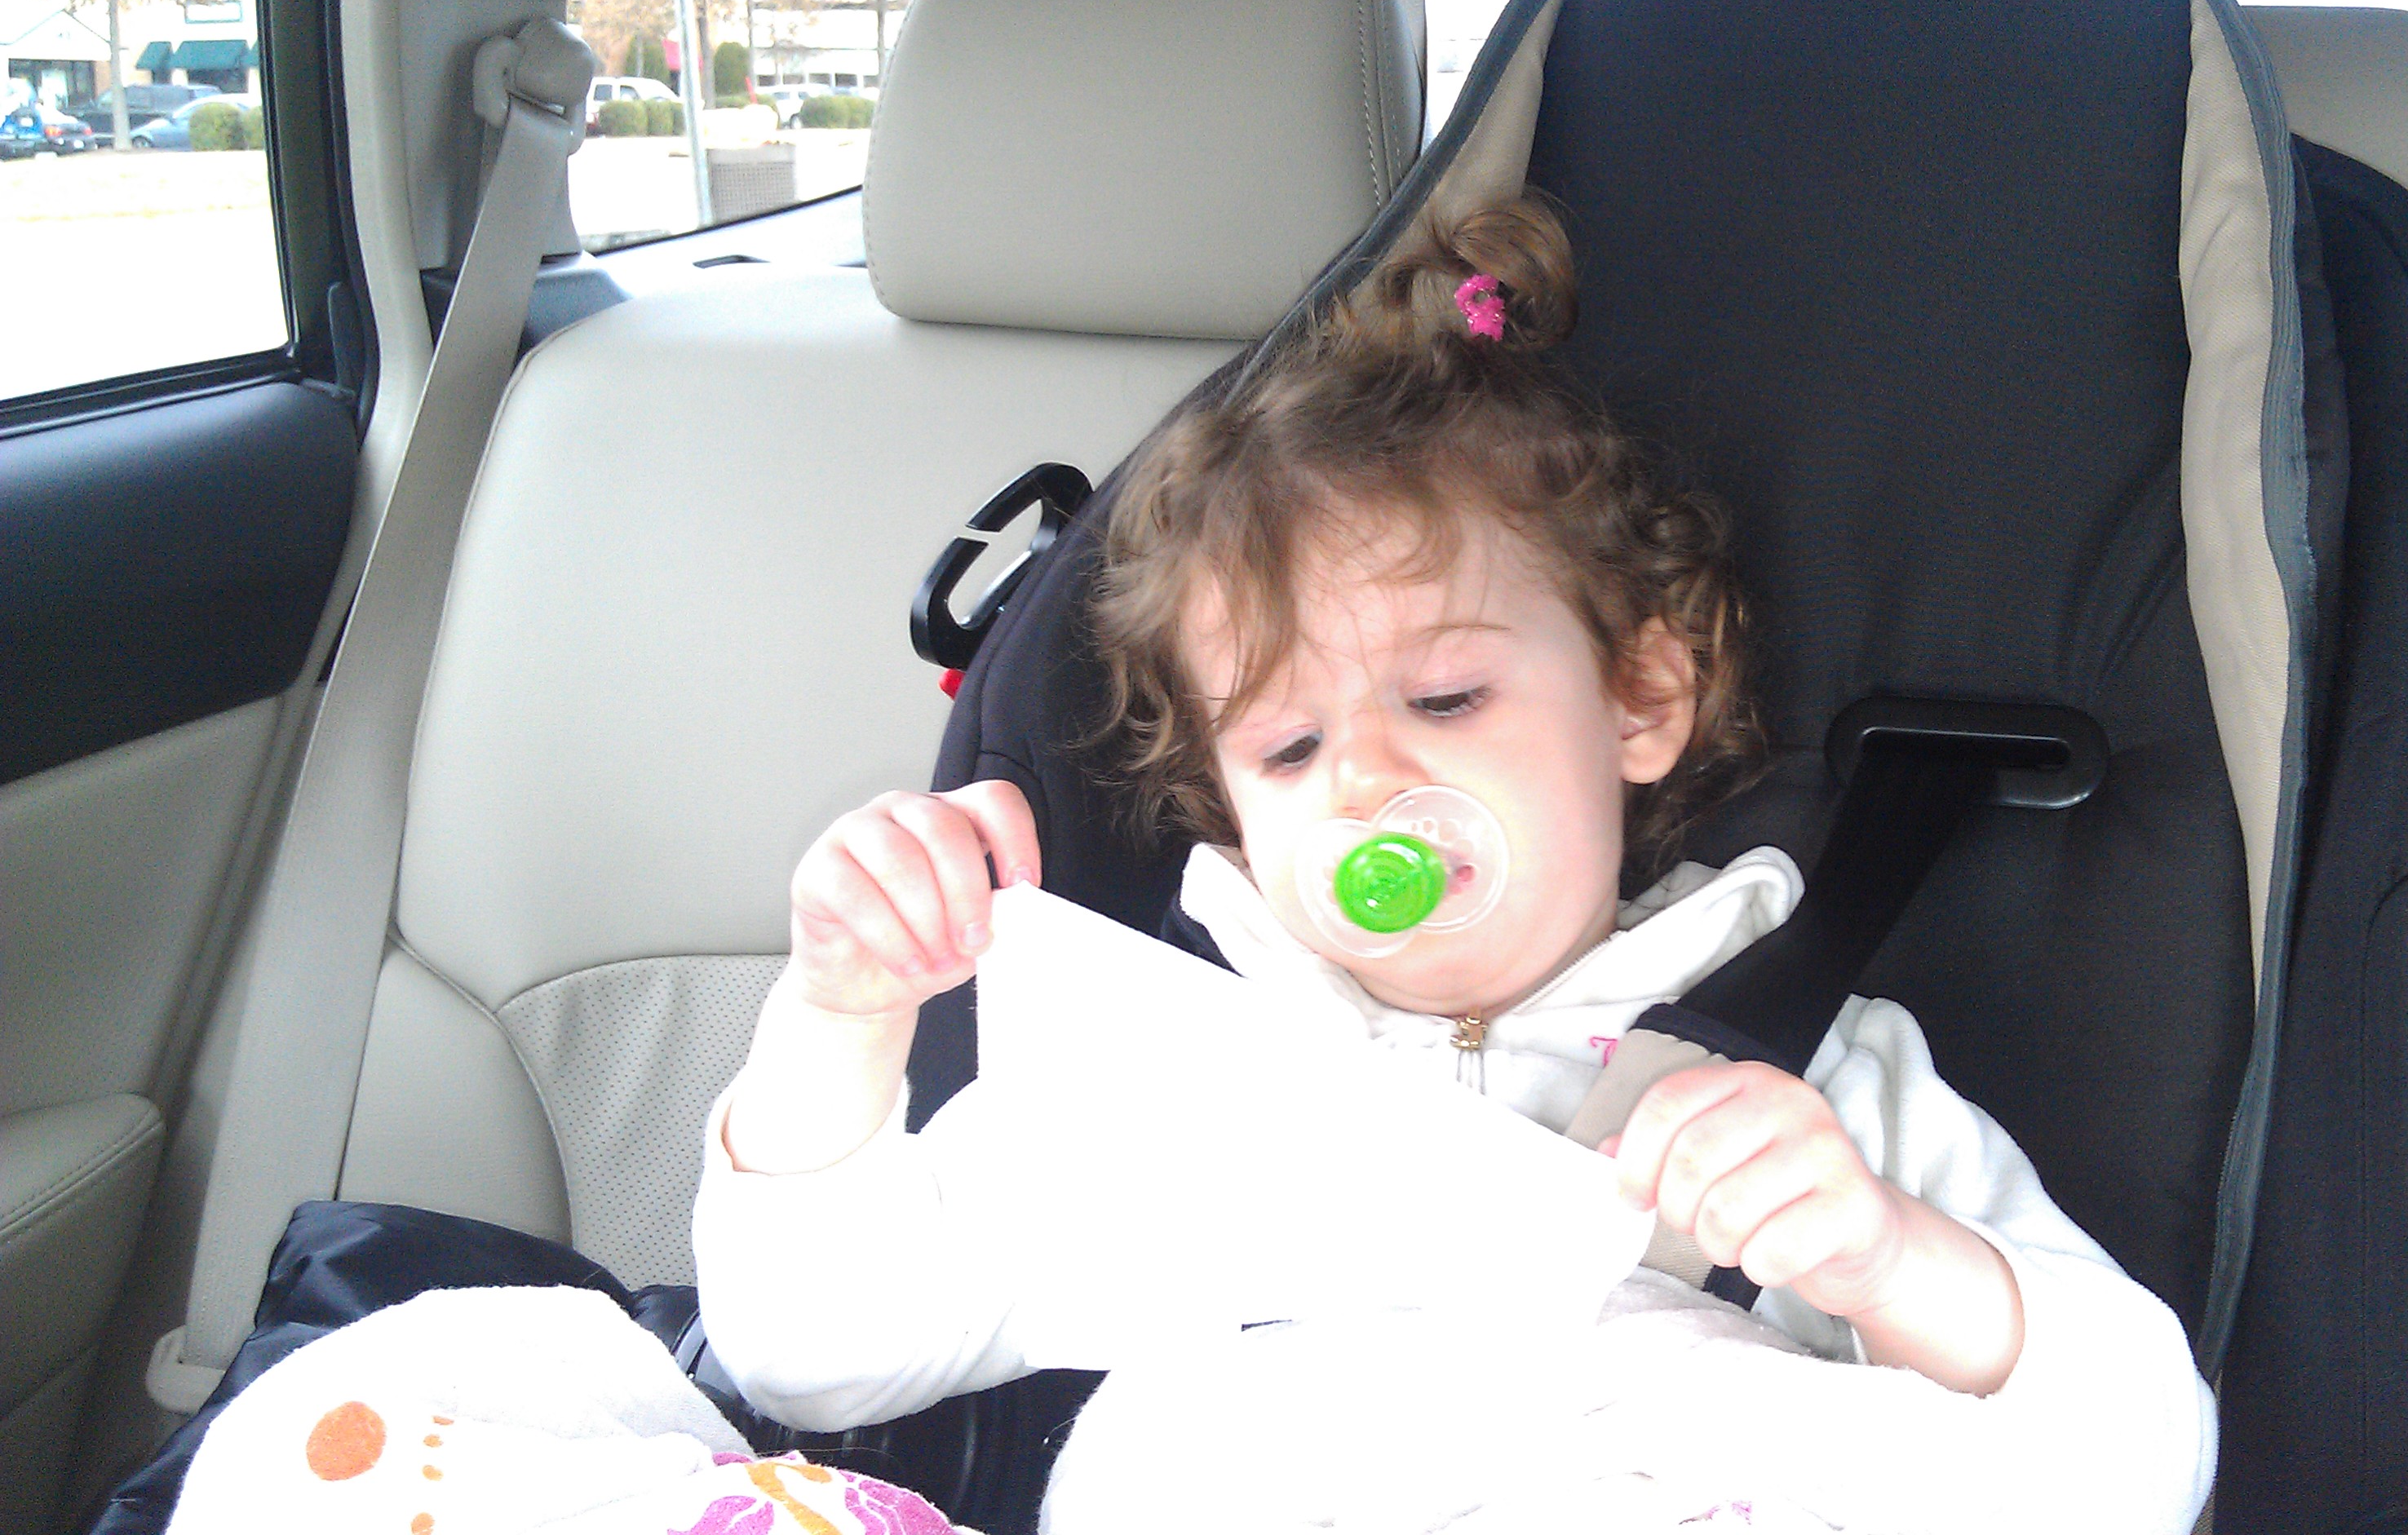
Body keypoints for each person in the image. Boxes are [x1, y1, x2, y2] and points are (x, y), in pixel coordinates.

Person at [693, 197, 2215, 1532]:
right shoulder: (1166, 1080)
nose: (1364, 778)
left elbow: (2140, 1473)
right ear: (1232, 811)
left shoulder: (1813, 1086)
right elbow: (815, 1355)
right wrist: (844, 1018)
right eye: (1291, 748)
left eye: (1442, 700)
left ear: (1640, 699)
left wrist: (1886, 1259)